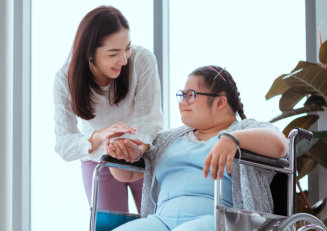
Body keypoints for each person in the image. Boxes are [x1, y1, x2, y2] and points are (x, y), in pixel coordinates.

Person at [105, 65, 288, 231]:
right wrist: (120, 154)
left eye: (191, 95)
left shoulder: (243, 130)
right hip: (161, 222)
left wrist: (232, 139)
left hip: (217, 221)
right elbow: (127, 175)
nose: (182, 102)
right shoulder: (167, 139)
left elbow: (281, 145)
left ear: (220, 103)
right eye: (181, 95)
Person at [53, 5, 163, 213]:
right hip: (98, 158)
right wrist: (99, 138)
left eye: (127, 48)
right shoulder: (64, 80)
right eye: (113, 53)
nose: (123, 59)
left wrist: (132, 147)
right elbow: (64, 143)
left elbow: (150, 121)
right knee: (108, 226)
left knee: (154, 221)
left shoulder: (142, 61)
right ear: (90, 54)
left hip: (141, 153)